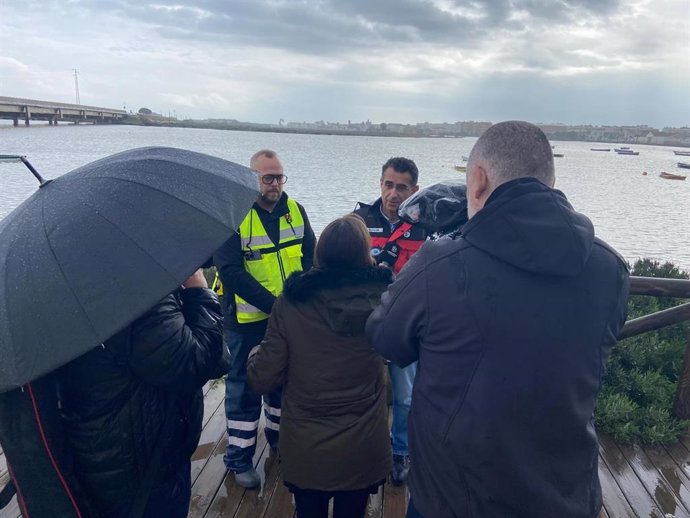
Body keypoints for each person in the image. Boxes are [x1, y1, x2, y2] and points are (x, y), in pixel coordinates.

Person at [366, 121, 630, 518]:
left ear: (477, 180)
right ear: (549, 180)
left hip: (455, 498)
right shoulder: (610, 268)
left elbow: (384, 336)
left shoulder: (439, 265)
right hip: (564, 495)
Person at [247, 214, 392, 518]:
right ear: (365, 255)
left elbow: (262, 378)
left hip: (306, 447)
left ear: (319, 253)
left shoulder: (291, 303)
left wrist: (253, 353)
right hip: (363, 447)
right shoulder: (385, 302)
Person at [56, 268, 228, 518]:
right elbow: (202, 361)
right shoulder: (134, 290)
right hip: (144, 466)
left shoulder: (69, 281)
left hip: (98, 452)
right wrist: (198, 289)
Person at [214, 149, 316, 488]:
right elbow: (230, 271)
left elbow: (312, 259)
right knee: (243, 387)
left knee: (281, 382)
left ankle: (279, 442)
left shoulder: (296, 212)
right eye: (267, 178)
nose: (275, 184)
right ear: (252, 180)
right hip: (246, 321)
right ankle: (239, 456)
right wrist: (275, 305)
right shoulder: (234, 215)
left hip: (287, 319)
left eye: (279, 177)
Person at [353, 156, 427, 485]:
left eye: (401, 187)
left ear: (415, 190)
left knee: (406, 395)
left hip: (406, 325)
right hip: (364, 322)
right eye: (387, 184)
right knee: (360, 390)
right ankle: (363, 450)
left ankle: (401, 452)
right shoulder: (359, 220)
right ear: (379, 183)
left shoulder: (427, 227)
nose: (393, 193)